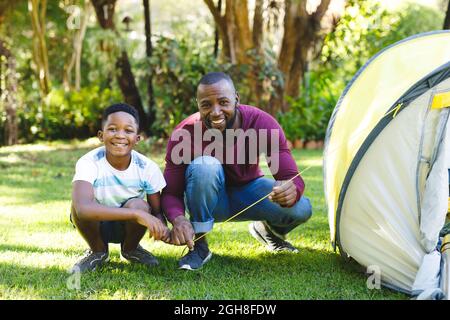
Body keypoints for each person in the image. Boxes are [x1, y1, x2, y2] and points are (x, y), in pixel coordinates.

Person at [161, 72, 312, 270]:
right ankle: (199, 247)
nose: (215, 112)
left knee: (302, 208)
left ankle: (268, 231)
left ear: (236, 99)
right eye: (206, 104)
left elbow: (290, 176)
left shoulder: (261, 123)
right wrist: (178, 218)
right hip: (211, 201)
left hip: (250, 193)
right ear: (198, 104)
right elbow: (170, 192)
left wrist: (291, 188)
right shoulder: (185, 133)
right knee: (205, 166)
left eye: (223, 102)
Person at [70, 103, 169, 272]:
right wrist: (136, 214)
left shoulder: (147, 168)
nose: (120, 135)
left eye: (128, 130)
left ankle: (131, 249)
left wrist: (162, 227)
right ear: (101, 136)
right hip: (96, 225)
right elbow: (82, 209)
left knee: (141, 205)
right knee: (77, 205)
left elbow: (157, 210)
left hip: (130, 228)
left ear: (137, 139)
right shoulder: (89, 162)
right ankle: (98, 251)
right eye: (113, 129)